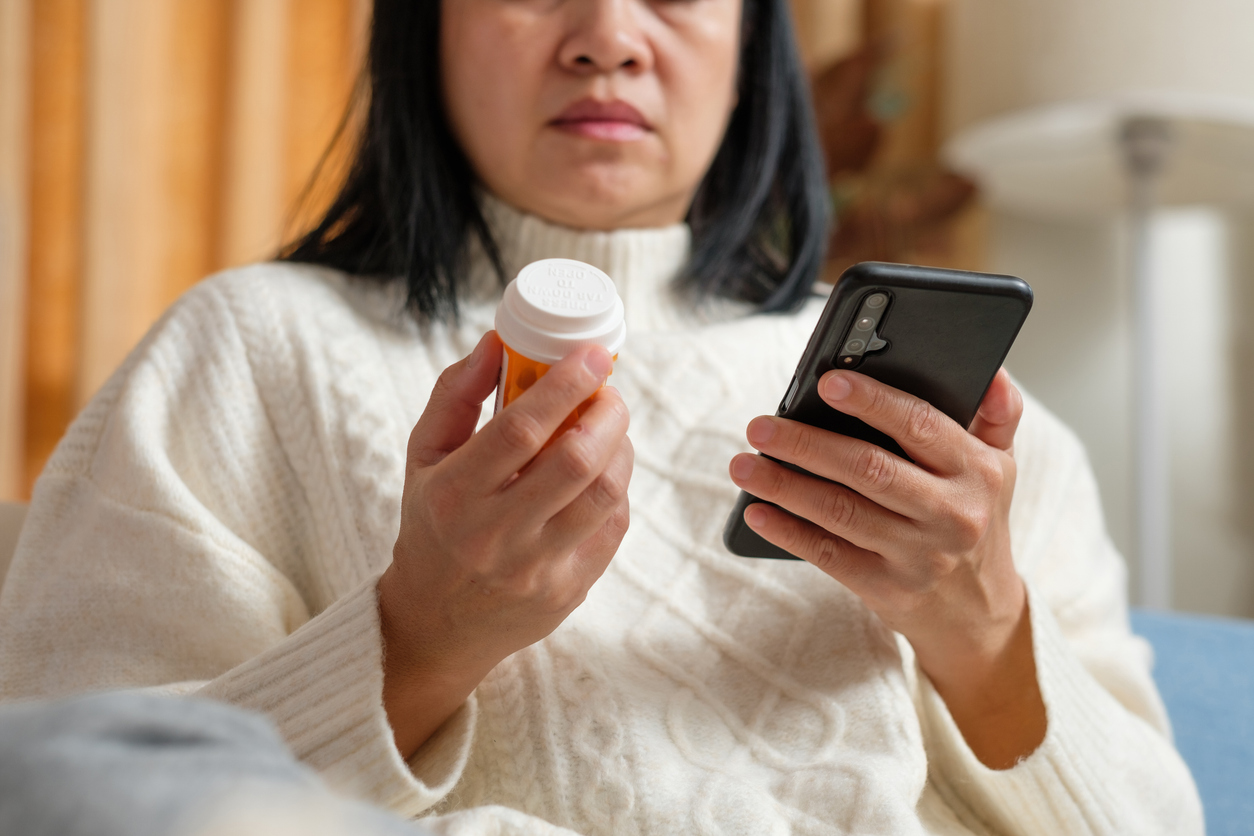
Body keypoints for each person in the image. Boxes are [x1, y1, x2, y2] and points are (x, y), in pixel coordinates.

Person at [0, 0, 1203, 833]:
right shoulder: (252, 347)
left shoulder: (968, 433)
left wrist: (983, 630)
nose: (609, 40)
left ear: (753, 41)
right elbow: (63, 788)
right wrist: (416, 636)